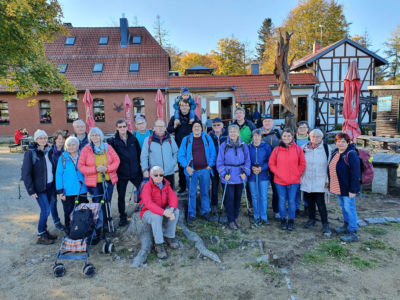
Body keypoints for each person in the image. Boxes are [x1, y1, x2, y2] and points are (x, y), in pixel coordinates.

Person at [21, 130, 60, 244]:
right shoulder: (31, 153)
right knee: (45, 210)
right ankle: (40, 235)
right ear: (36, 140)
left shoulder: (48, 151)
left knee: (46, 210)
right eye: (40, 138)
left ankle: (44, 231)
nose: (42, 140)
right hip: (39, 188)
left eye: (44, 138)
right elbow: (26, 173)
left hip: (49, 186)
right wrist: (30, 190)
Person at [78, 127, 120, 232]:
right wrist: (95, 169)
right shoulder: (86, 149)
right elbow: (81, 166)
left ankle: (107, 222)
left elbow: (116, 161)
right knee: (97, 203)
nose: (95, 137)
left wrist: (107, 169)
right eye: (92, 135)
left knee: (107, 201)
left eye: (97, 135)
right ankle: (99, 225)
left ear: (101, 136)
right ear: (90, 137)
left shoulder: (107, 147)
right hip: (94, 182)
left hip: (108, 180)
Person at [178, 121, 216, 224]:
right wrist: (186, 166)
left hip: (205, 170)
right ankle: (192, 213)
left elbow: (213, 152)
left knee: (205, 192)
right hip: (191, 171)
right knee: (192, 193)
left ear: (202, 128)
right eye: (195, 126)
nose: (197, 128)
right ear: (192, 128)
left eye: (199, 126)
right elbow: (181, 155)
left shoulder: (207, 138)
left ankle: (205, 212)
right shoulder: (186, 140)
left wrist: (210, 165)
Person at [107, 119, 142, 226]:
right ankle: (123, 217)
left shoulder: (133, 139)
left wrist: (139, 168)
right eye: (120, 127)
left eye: (124, 126)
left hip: (135, 171)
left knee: (143, 190)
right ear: (117, 128)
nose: (122, 129)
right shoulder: (113, 141)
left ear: (127, 127)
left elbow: (139, 154)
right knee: (121, 196)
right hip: (122, 173)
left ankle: (143, 209)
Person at [269, 128, 306, 231]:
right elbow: (271, 163)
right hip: (280, 180)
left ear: (292, 137)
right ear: (282, 137)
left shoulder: (298, 149)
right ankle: (283, 220)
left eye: (289, 136)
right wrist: (278, 172)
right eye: (284, 136)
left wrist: (297, 174)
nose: (287, 138)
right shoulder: (276, 150)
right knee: (281, 200)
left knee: (291, 201)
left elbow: (302, 164)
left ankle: (291, 220)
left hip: (294, 181)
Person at [139, 166, 179, 259]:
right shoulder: (147, 186)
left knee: (176, 211)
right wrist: (164, 212)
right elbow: (149, 204)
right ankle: (159, 244)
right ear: (151, 175)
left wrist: (171, 210)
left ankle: (169, 236)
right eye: (156, 175)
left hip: (163, 209)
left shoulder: (166, 184)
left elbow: (173, 198)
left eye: (161, 175)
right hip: (147, 212)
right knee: (157, 217)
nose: (158, 177)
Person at [216, 124, 251, 230]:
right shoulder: (224, 145)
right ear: (228, 133)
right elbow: (219, 162)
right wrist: (223, 174)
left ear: (238, 133)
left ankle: (235, 217)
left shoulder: (243, 145)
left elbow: (247, 160)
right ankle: (230, 219)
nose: (233, 133)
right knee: (229, 199)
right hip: (228, 176)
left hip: (240, 175)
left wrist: (245, 172)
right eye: (230, 131)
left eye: (235, 131)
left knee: (237, 198)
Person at [328, 133, 361, 242]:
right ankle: (346, 225)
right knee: (344, 207)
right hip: (338, 186)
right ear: (335, 142)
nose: (340, 143)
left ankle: (353, 232)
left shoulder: (351, 154)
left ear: (348, 142)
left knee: (349, 208)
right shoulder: (335, 152)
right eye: (338, 141)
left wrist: (353, 190)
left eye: (343, 141)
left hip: (348, 189)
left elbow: (356, 174)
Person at [301, 129, 332, 236]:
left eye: (318, 137)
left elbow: (330, 166)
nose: (315, 139)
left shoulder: (326, 148)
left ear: (322, 138)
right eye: (313, 136)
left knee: (320, 203)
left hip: (320, 180)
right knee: (309, 202)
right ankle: (311, 219)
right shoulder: (304, 147)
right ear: (310, 137)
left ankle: (325, 223)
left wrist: (328, 180)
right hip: (307, 179)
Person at [167, 98, 200, 195]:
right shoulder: (175, 118)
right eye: (182, 106)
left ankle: (194, 185)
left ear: (189, 107)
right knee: (181, 166)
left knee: (193, 165)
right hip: (179, 146)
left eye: (186, 105)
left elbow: (200, 128)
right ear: (179, 107)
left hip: (192, 146)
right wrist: (175, 126)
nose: (184, 107)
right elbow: (169, 130)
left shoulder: (194, 117)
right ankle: (182, 186)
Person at [56, 136, 88, 234]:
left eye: (73, 144)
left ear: (78, 145)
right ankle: (69, 230)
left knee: (82, 211)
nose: (71, 147)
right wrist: (60, 191)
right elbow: (58, 174)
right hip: (67, 191)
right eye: (68, 145)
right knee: (68, 212)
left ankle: (83, 229)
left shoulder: (83, 155)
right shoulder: (62, 158)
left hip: (81, 189)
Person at [141, 119, 178, 188]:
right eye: (158, 126)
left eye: (162, 126)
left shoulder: (170, 139)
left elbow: (175, 152)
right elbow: (144, 156)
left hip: (169, 173)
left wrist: (172, 164)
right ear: (154, 128)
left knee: (169, 195)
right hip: (155, 174)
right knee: (156, 196)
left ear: (165, 128)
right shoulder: (148, 140)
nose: (160, 128)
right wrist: (145, 170)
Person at [248, 129, 271, 226]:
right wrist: (251, 167)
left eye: (258, 136)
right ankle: (256, 216)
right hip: (252, 175)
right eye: (255, 136)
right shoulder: (248, 147)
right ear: (252, 137)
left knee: (263, 196)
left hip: (263, 175)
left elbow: (270, 161)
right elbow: (245, 160)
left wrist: (262, 168)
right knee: (254, 196)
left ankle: (264, 216)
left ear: (261, 137)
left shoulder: (266, 147)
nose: (256, 138)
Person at [261, 114, 281, 220]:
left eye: (269, 121)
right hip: (262, 166)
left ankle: (276, 210)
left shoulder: (278, 133)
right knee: (260, 190)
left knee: (276, 189)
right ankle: (258, 209)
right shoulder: (258, 132)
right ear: (262, 123)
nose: (267, 123)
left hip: (276, 166)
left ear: (272, 122)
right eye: (265, 121)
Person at [48, 130, 68, 231]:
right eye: (59, 139)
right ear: (55, 140)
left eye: (63, 139)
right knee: (53, 202)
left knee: (65, 201)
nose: (61, 141)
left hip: (63, 181)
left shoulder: (67, 151)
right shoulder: (49, 152)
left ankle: (68, 221)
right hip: (51, 182)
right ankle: (57, 222)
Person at [208, 118, 228, 214]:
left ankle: (227, 205)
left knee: (225, 185)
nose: (216, 127)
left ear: (222, 125)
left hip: (225, 165)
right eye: (214, 125)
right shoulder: (209, 136)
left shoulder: (227, 134)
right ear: (212, 126)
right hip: (213, 164)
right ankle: (214, 205)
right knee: (214, 185)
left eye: (218, 125)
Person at [294, 121, 310, 215]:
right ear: (297, 129)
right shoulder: (293, 140)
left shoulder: (312, 140)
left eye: (304, 127)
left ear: (308, 129)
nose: (302, 129)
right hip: (296, 167)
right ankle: (297, 207)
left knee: (307, 188)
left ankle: (307, 206)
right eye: (300, 127)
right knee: (297, 188)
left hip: (308, 168)